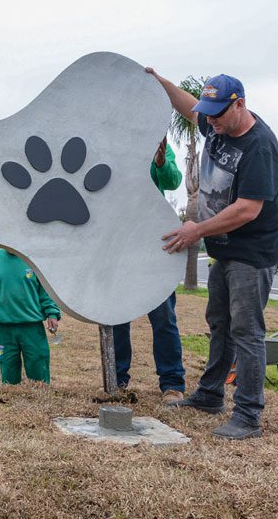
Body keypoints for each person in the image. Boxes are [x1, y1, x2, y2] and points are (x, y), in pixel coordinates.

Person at [150, 70, 278, 440]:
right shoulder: (217, 122)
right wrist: (159, 81)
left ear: (239, 105)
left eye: (218, 114)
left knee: (246, 330)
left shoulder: (259, 146)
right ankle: (210, 395)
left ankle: (248, 415)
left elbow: (248, 209)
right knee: (219, 323)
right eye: (208, 114)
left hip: (253, 250)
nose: (210, 121)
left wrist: (196, 229)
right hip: (225, 246)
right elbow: (188, 106)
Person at [113, 137, 186, 404]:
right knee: (115, 315)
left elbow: (173, 181)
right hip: (117, 245)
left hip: (153, 245)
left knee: (163, 316)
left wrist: (160, 161)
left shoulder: (157, 144)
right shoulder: (110, 143)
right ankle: (116, 380)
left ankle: (172, 383)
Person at [0, 249, 61, 384]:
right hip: (5, 329)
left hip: (32, 328)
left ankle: (40, 395)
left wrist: (52, 313)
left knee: (39, 376)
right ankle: (11, 395)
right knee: (9, 377)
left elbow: (46, 291)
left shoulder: (34, 259)